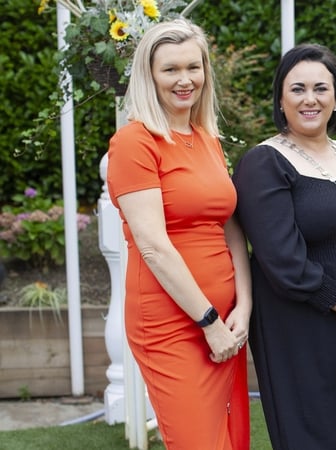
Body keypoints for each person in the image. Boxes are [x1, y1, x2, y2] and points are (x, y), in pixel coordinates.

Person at [231, 43, 336, 450]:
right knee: (309, 436)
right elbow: (280, 258)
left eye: (321, 88)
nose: (310, 99)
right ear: (280, 100)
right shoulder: (264, 162)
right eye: (297, 89)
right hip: (297, 320)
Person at [106, 18, 251, 450]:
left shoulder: (208, 139)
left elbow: (231, 228)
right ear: (149, 76)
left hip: (227, 321)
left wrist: (244, 305)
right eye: (170, 69)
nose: (185, 79)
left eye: (194, 66)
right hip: (173, 323)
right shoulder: (134, 142)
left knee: (231, 438)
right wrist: (208, 322)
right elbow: (153, 246)